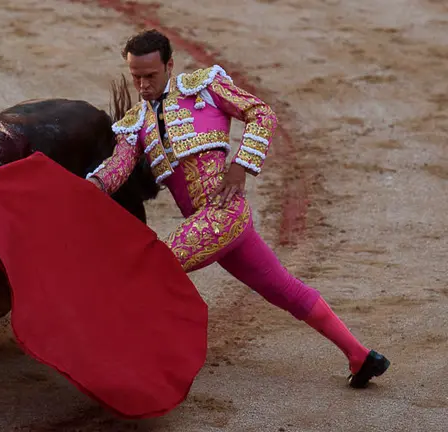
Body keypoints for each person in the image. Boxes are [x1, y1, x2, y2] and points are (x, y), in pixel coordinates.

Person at [86, 29, 389, 388]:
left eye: (150, 76)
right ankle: (360, 356)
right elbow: (118, 166)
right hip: (205, 225)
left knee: (155, 265)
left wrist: (241, 165)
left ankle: (136, 358)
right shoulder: (135, 123)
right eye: (135, 76)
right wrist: (90, 187)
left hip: (224, 215)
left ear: (170, 65)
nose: (143, 85)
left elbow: (261, 113)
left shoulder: (206, 87)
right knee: (284, 289)